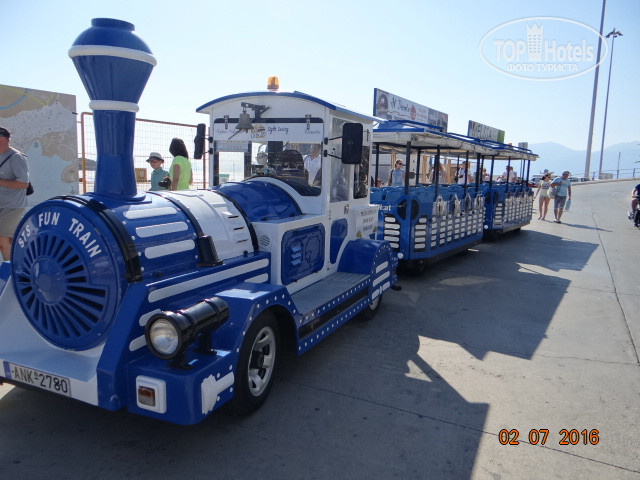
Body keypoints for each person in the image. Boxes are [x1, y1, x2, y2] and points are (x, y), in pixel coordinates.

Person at [0, 126, 29, 261]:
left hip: (13, 206)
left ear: (7, 139)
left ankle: (10, 270)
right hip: (2, 204)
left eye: (0, 138)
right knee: (6, 241)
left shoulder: (16, 157)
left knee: (3, 240)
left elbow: (23, 183)